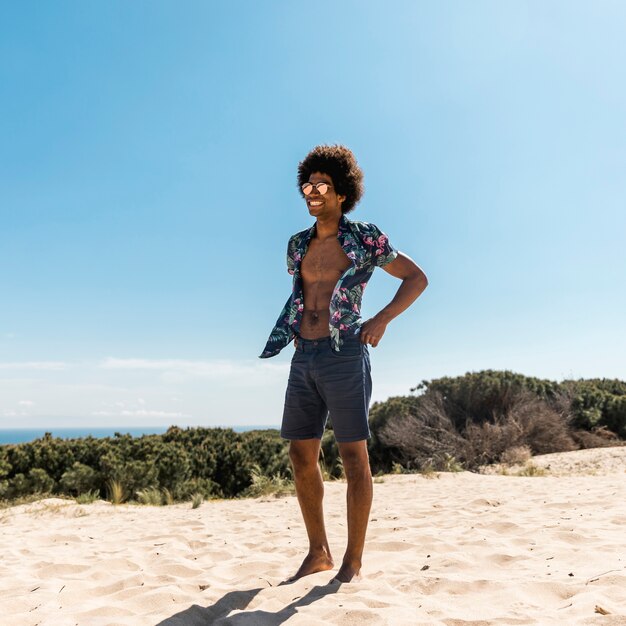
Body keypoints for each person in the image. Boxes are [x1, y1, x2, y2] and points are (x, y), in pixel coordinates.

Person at [259, 144, 428, 583]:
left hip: (345, 353)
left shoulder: (364, 237)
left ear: (341, 192)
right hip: (304, 356)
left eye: (323, 185)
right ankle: (319, 552)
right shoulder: (297, 245)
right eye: (308, 184)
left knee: (354, 457)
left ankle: (352, 560)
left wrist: (381, 320)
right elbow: (304, 296)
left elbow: (416, 277)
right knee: (300, 454)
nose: (313, 191)